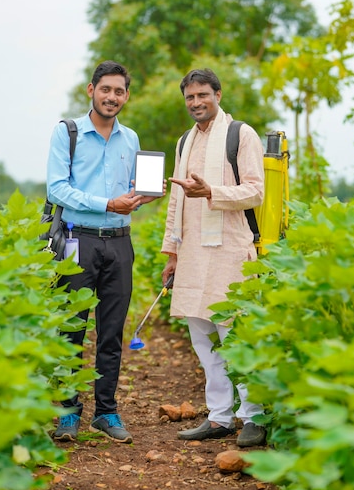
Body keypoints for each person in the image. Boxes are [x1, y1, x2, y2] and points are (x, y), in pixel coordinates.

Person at [46, 60, 164, 443]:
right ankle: (68, 413)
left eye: (119, 91)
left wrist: (140, 196)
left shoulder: (130, 139)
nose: (111, 97)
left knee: (111, 332)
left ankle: (106, 412)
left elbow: (128, 190)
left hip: (119, 243)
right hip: (77, 240)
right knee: (71, 329)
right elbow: (56, 189)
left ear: (126, 96)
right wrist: (107, 204)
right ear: (91, 90)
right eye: (105, 89)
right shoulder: (68, 132)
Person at [161, 68, 266, 447]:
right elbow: (176, 201)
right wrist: (171, 252)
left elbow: (255, 191)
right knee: (202, 339)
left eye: (203, 95)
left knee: (235, 336)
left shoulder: (241, 134)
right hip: (191, 254)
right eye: (189, 97)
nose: (196, 102)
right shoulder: (183, 142)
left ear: (218, 95)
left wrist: (210, 192)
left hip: (231, 251)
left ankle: (253, 416)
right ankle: (220, 417)